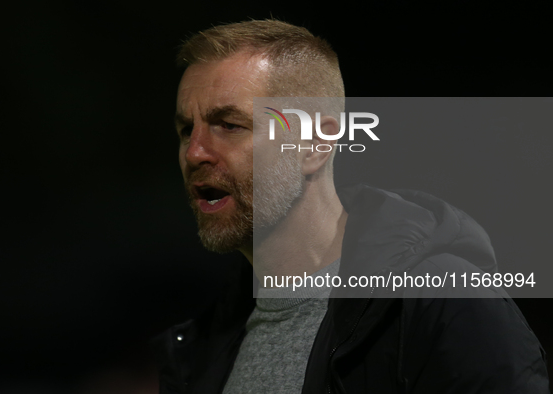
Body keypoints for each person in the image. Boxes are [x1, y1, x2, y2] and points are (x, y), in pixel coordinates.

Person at [154, 19, 550, 393]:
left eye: (230, 125)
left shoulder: (443, 303)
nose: (195, 152)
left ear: (315, 145)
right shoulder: (202, 345)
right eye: (186, 129)